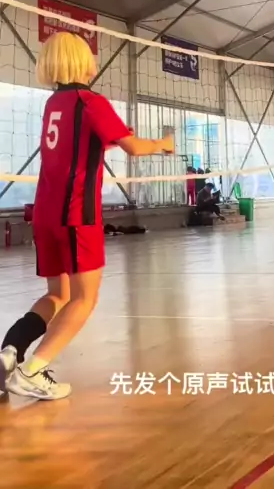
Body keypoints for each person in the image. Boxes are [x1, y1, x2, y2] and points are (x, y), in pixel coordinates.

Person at [0, 31, 174, 401]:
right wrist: (162, 144)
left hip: (45, 213)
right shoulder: (91, 101)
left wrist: (111, 138)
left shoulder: (54, 104)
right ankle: (32, 371)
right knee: (85, 299)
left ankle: (11, 350)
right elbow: (133, 148)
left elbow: (83, 143)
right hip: (76, 214)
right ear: (80, 61)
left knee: (58, 294)